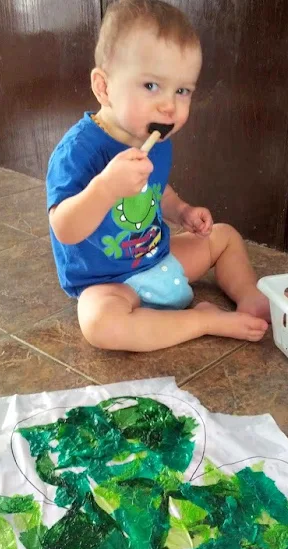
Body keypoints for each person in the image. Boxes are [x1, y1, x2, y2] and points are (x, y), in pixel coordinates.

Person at [46, 0, 270, 352]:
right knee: (99, 325)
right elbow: (65, 227)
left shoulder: (156, 137)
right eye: (151, 86)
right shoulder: (79, 150)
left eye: (182, 91)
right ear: (103, 87)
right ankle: (204, 320)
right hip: (108, 281)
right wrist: (105, 187)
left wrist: (180, 211)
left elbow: (156, 188)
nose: (169, 105)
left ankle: (250, 297)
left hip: (157, 254)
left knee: (224, 236)